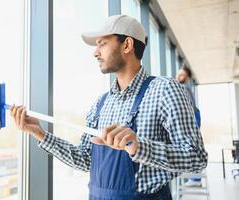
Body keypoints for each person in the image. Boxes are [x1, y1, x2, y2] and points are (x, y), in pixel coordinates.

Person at [11, 15, 208, 200]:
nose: (96, 52)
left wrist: (139, 147)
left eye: (102, 44)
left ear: (127, 44)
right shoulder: (101, 103)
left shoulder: (165, 89)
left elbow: (197, 157)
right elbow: (86, 159)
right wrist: (40, 134)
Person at [176, 66, 203, 187]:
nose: (178, 77)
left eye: (181, 75)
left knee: (191, 146)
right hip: (195, 115)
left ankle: (195, 179)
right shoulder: (186, 88)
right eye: (178, 74)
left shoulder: (183, 88)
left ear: (186, 78)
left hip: (193, 117)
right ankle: (195, 178)